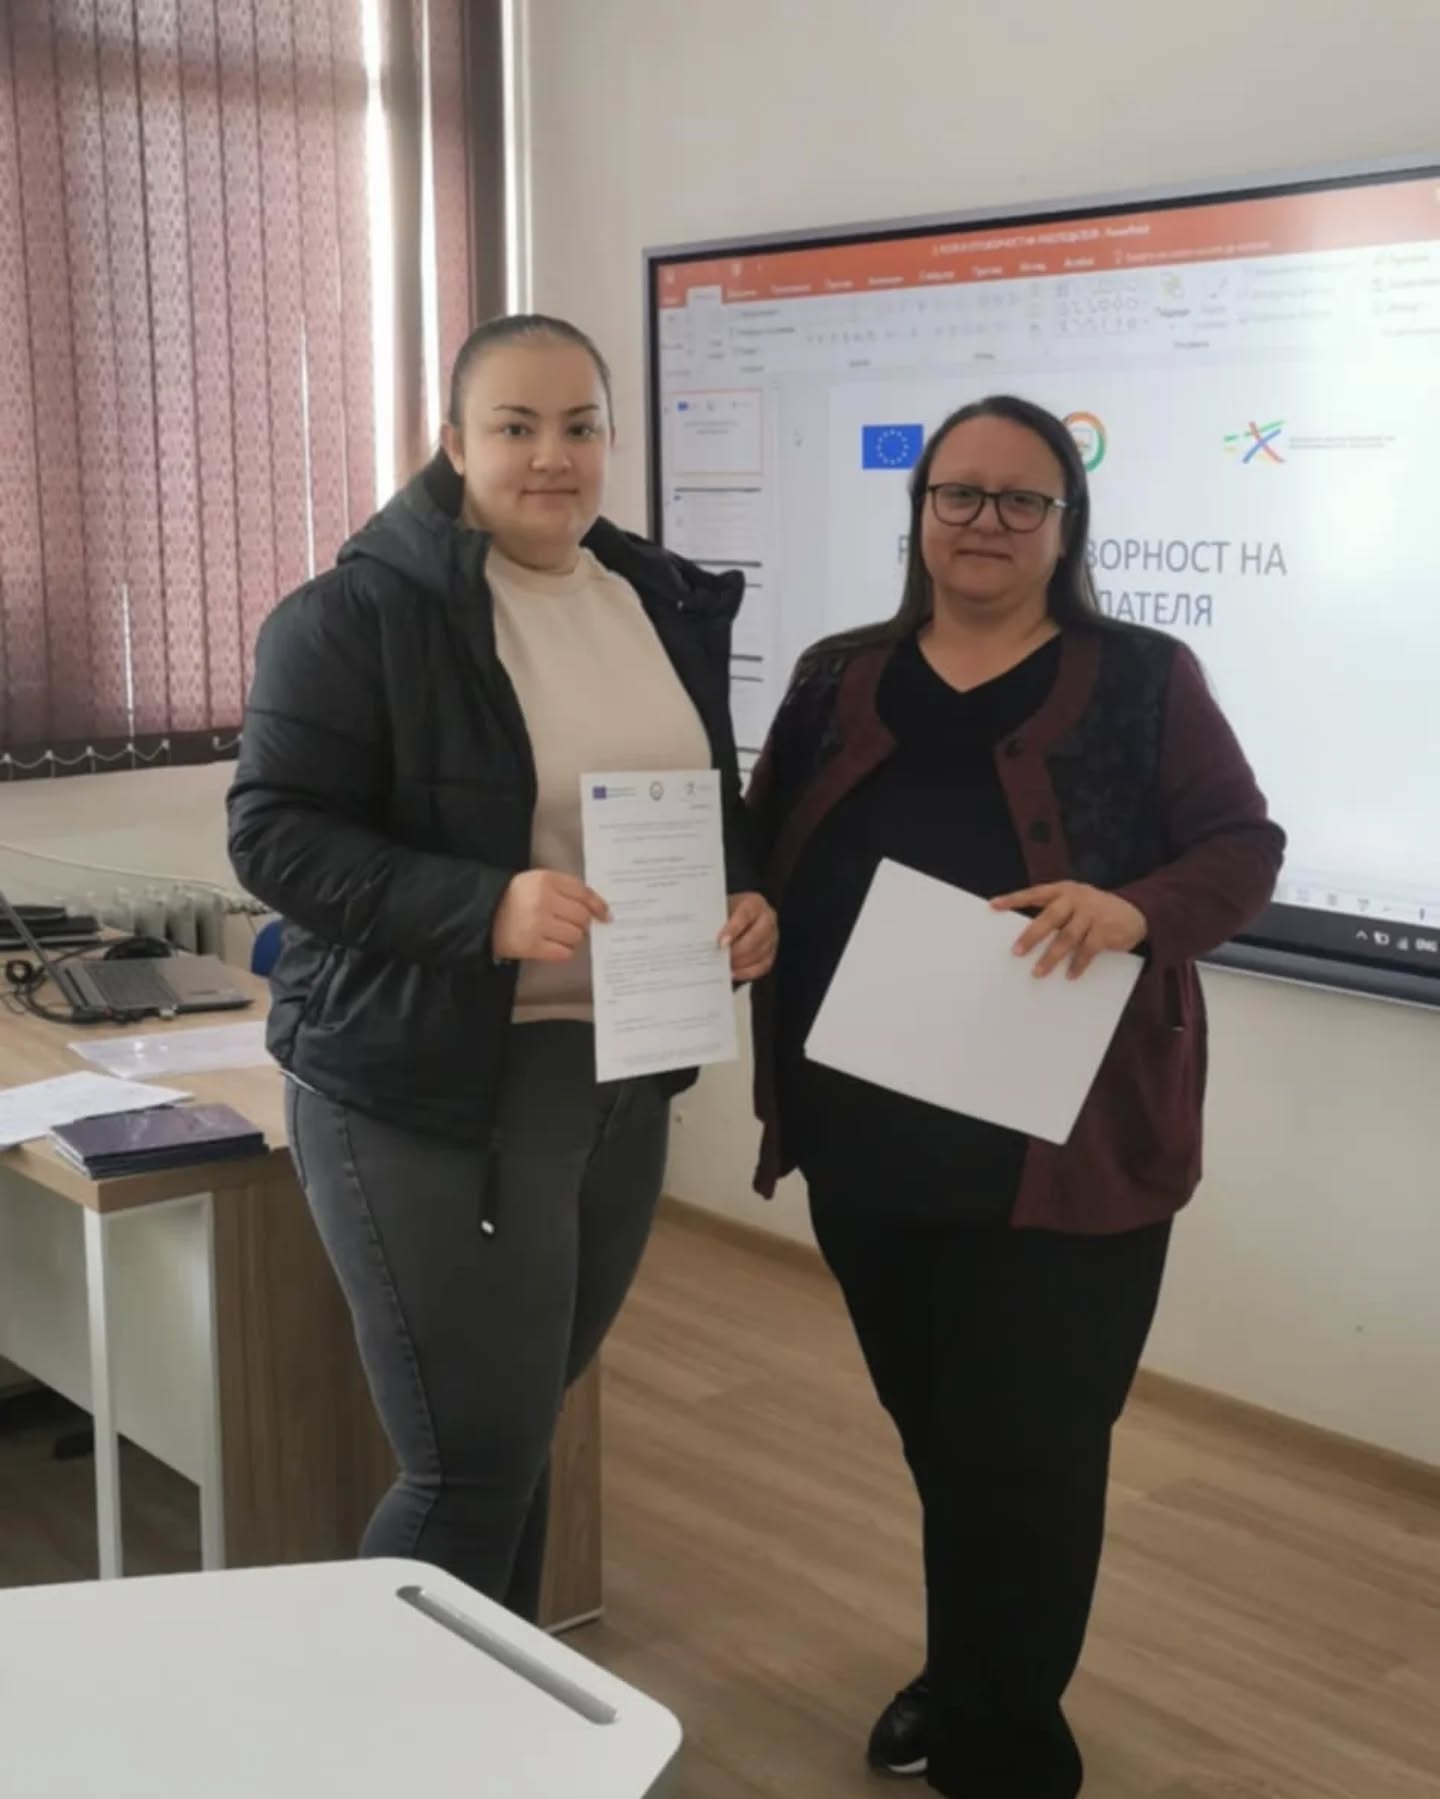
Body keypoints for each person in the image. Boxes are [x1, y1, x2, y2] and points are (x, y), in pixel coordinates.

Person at [746, 395, 1284, 1798]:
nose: (984, 521)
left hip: (1067, 1155)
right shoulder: (835, 675)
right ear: (920, 509)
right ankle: (967, 1671)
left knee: (1032, 1461)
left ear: (1066, 523)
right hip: (868, 1139)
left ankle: (1008, 1751)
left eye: (1020, 499)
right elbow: (756, 841)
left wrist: (1136, 909)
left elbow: (1242, 847)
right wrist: (741, 903)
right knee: (946, 1440)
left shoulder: (1145, 676)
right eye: (958, 493)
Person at [227, 314, 777, 1622]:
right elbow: (274, 835)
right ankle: (392, 1727)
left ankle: (503, 1713)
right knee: (466, 1467)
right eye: (515, 427)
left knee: (518, 1436)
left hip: (620, 1070)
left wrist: (746, 892)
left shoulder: (654, 603)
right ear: (454, 443)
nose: (551, 457)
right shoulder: (357, 615)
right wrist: (485, 907)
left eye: (579, 427)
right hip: (422, 1081)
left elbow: (702, 799)